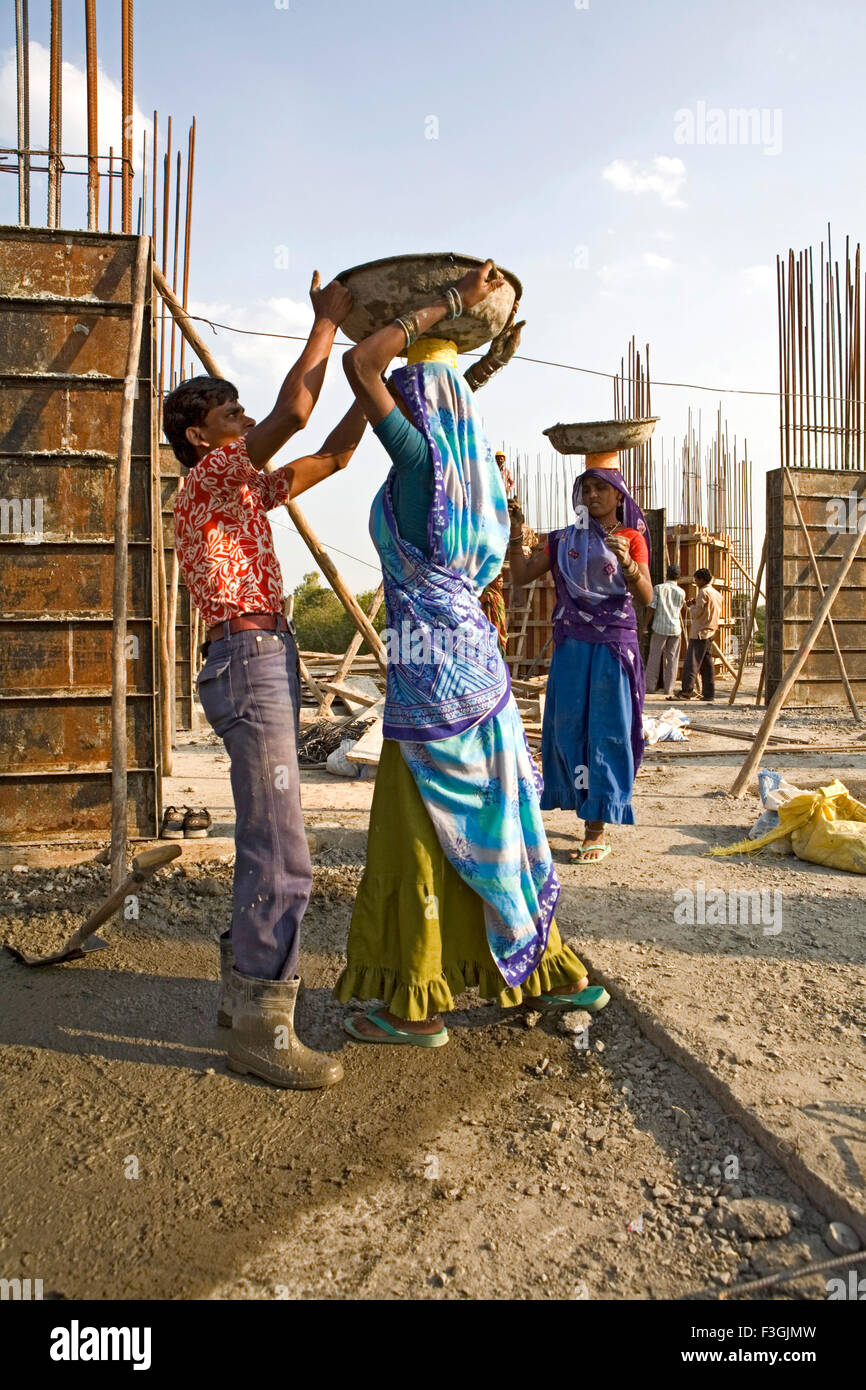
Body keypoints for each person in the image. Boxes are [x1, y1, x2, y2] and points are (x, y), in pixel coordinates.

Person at [333, 260, 609, 1046]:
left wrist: (448, 303)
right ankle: (553, 975)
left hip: (428, 690)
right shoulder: (476, 480)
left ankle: (415, 1005)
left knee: (417, 837)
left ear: (416, 412)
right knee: (499, 827)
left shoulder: (417, 465)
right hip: (481, 680)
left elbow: (361, 366)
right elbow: (444, 411)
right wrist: (485, 364)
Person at [166, 271, 367, 1090]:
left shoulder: (242, 490)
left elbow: (335, 453)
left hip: (262, 654)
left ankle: (239, 998)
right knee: (281, 843)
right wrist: (326, 325)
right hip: (248, 657)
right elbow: (295, 415)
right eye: (230, 414)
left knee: (268, 832)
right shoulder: (207, 480)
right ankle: (261, 1026)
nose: (246, 420)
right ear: (198, 435)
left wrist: (370, 385)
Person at [508, 455, 653, 864]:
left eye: (600, 488)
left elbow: (647, 596)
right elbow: (521, 575)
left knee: (607, 730)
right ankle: (576, 801)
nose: (591, 495)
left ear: (618, 494)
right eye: (585, 489)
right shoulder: (562, 541)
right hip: (572, 641)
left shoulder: (631, 537)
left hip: (613, 645)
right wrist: (517, 532)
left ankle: (596, 826)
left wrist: (627, 563)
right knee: (568, 727)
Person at [478, 451, 515, 655]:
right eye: (498, 578)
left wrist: (507, 489)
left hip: (502, 498)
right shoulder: (488, 595)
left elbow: (512, 483)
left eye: (502, 459)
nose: (500, 582)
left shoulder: (506, 473)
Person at [678, 567, 721, 702]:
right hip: (711, 631)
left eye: (696, 580)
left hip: (700, 632)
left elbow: (697, 613)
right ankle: (709, 693)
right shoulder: (716, 593)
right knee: (707, 665)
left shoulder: (703, 592)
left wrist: (690, 607)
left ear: (701, 580)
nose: (695, 583)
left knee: (692, 663)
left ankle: (686, 692)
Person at [644, 563, 685, 698]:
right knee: (672, 659)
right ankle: (669, 689)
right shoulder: (681, 592)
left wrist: (644, 625)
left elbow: (651, 608)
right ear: (678, 577)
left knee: (654, 657)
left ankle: (650, 687)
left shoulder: (658, 588)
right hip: (675, 628)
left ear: (667, 574)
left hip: (659, 627)